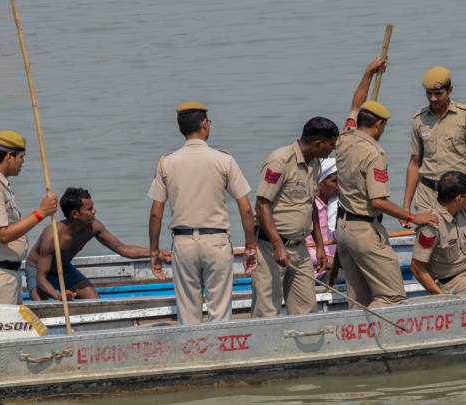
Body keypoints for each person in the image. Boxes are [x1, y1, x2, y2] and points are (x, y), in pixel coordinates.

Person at [148, 102, 257, 325]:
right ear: (205, 125)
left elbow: (155, 214)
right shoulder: (224, 160)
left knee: (188, 313)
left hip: (184, 242)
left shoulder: (167, 163)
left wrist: (153, 252)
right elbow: (246, 208)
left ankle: (193, 355)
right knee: (221, 311)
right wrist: (250, 246)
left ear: (180, 130)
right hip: (216, 242)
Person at [336, 100, 439, 309]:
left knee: (359, 301)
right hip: (364, 231)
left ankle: (359, 339)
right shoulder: (374, 154)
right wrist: (411, 216)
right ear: (379, 124)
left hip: (343, 228)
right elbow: (377, 201)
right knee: (392, 295)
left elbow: (356, 104)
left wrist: (369, 72)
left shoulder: (343, 139)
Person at [252, 116, 338, 318]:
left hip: (300, 249)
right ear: (317, 143)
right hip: (271, 249)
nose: (332, 150)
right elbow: (261, 204)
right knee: (266, 310)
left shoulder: (315, 163)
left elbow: (311, 206)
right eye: (331, 145)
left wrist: (319, 246)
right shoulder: (279, 161)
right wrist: (278, 245)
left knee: (307, 310)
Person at [0, 131, 57, 305]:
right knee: (1, 331)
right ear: (9, 156)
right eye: (21, 157)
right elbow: (3, 235)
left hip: (7, 274)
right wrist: (41, 212)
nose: (22, 163)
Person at [25, 187, 150, 301]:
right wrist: (58, 296)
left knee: (95, 302)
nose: (95, 211)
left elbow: (123, 249)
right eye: (89, 209)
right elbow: (41, 278)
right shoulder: (52, 236)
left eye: (93, 207)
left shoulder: (94, 226)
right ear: (75, 214)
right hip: (38, 271)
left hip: (63, 268)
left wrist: (154, 253)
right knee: (42, 308)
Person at [401, 66, 466, 226]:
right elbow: (414, 163)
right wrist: (406, 207)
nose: (433, 98)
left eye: (438, 94)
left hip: (457, 195)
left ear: (450, 90)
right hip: (427, 194)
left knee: (459, 243)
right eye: (429, 93)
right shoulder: (419, 119)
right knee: (428, 244)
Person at [305, 157, 338, 281]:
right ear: (319, 183)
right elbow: (298, 248)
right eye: (334, 181)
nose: (339, 186)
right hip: (316, 271)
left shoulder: (336, 205)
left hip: (339, 264)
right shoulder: (308, 208)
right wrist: (326, 259)